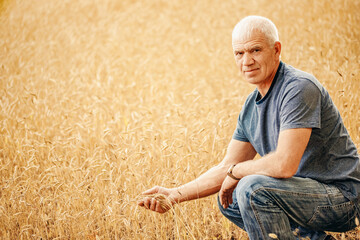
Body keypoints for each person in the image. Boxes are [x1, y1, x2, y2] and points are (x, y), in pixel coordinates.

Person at [137, 15, 360, 240]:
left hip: (344, 198)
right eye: (239, 53)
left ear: (276, 50)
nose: (247, 61)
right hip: (302, 196)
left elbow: (284, 165)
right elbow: (227, 166)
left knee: (251, 188)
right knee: (231, 199)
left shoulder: (299, 87)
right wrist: (174, 195)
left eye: (255, 50)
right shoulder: (250, 106)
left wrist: (237, 172)